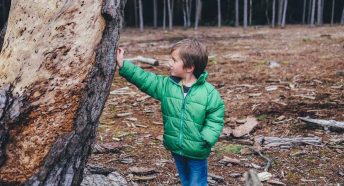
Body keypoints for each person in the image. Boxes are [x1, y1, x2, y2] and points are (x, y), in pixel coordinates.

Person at [115, 38, 225, 186]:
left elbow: (216, 116)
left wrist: (206, 138)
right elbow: (146, 80)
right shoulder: (168, 86)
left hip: (197, 150)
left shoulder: (208, 93)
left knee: (197, 182)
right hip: (176, 147)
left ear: (189, 67)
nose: (169, 63)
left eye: (174, 60)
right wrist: (124, 65)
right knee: (185, 180)